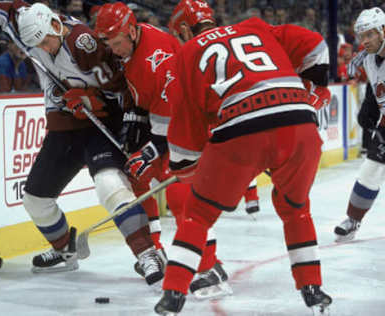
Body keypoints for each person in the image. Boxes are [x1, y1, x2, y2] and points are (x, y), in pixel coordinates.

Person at [0, 0, 164, 288]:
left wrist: (89, 97)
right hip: (65, 125)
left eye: (47, 42)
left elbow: (125, 89)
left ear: (56, 27)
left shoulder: (84, 45)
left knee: (110, 185)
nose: (45, 49)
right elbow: (2, 9)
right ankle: (64, 250)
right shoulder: (23, 25)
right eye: (39, 45)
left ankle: (147, 254)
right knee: (35, 199)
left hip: (102, 123)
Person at [154, 1, 332, 314]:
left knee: (197, 213)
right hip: (299, 121)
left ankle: (173, 294)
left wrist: (186, 167)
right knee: (295, 208)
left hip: (240, 128)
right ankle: (313, 289)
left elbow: (187, 121)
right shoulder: (255, 26)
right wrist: (313, 87)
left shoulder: (187, 52)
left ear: (183, 29)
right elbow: (314, 44)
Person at [94, 1, 231, 299]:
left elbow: (173, 121)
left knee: (182, 198)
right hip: (172, 127)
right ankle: (155, 250)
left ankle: (210, 268)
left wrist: (149, 151)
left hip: (187, 130)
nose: (115, 50)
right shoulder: (134, 43)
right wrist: (134, 114)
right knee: (137, 176)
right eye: (110, 44)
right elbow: (143, 96)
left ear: (130, 31)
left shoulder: (157, 59)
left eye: (117, 43)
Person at [334, 7, 385, 243]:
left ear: (383, 31)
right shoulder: (368, 58)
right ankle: (353, 220)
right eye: (361, 36)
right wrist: (370, 107)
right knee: (370, 171)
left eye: (370, 35)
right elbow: (376, 89)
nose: (364, 41)